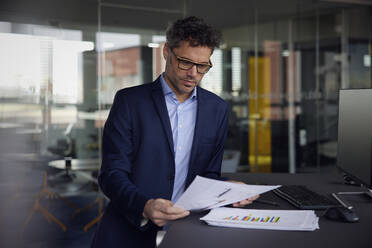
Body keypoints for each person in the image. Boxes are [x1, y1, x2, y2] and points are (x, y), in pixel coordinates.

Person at [91, 16, 258, 248]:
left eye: (203, 66)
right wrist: (144, 205)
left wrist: (228, 188)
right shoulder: (130, 102)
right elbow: (111, 175)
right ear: (166, 51)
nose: (193, 74)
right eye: (185, 62)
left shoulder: (217, 109)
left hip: (189, 231)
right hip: (129, 232)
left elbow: (207, 175)